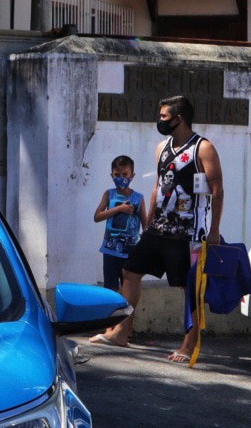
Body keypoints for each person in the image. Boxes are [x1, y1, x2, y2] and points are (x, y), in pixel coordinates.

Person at [92, 95, 225, 364]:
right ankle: (121, 332)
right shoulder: (162, 147)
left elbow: (217, 190)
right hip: (159, 228)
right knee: (130, 271)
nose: (160, 121)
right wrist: (149, 220)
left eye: (164, 117)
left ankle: (189, 344)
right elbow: (158, 186)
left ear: (179, 118)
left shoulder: (203, 148)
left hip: (188, 232)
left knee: (189, 287)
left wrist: (213, 230)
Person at [93, 154, 145, 290]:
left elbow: (145, 224)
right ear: (112, 176)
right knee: (110, 289)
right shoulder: (109, 194)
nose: (121, 178)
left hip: (130, 251)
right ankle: (112, 311)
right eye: (117, 175)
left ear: (132, 175)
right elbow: (97, 216)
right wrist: (118, 209)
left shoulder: (138, 198)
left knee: (129, 287)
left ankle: (129, 312)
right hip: (110, 250)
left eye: (125, 174)